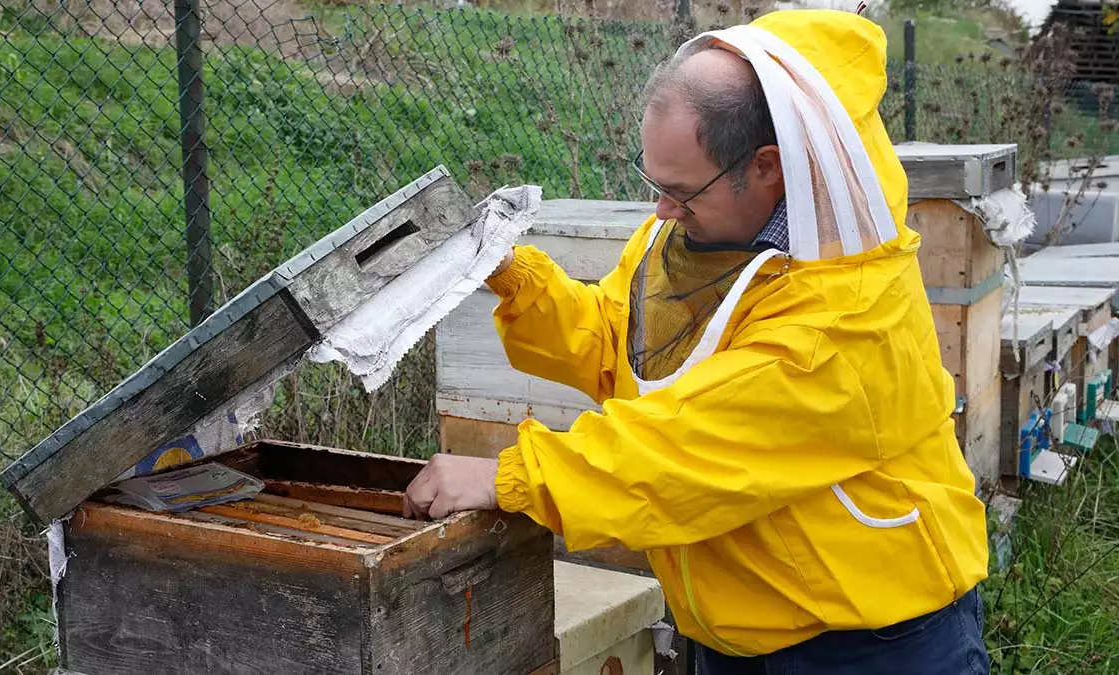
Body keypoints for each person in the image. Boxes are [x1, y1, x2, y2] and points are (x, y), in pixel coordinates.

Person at [402, 8, 991, 674]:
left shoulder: (849, 312)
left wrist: (512, 476)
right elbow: (616, 347)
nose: (662, 210)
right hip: (732, 629)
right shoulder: (695, 236)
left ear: (768, 166)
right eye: (655, 184)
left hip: (871, 642)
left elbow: (687, 450)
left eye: (681, 191)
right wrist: (511, 276)